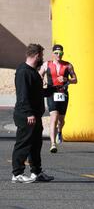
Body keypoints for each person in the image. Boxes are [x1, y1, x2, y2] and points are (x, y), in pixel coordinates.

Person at [12, 44, 55, 183]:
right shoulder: (23, 72)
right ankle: (17, 174)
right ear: (36, 56)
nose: (42, 58)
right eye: (41, 56)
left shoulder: (33, 72)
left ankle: (36, 172)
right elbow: (23, 95)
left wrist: (54, 89)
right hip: (26, 115)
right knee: (23, 144)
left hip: (35, 116)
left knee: (36, 144)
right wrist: (29, 113)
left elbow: (37, 93)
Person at [39, 44, 78, 153]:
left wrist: (67, 79)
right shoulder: (47, 64)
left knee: (61, 120)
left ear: (62, 54)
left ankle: (59, 131)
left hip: (63, 93)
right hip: (51, 93)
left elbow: (75, 80)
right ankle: (53, 143)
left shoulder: (68, 65)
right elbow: (39, 74)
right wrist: (43, 80)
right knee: (54, 117)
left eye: (60, 53)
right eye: (56, 53)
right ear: (52, 54)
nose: (58, 55)